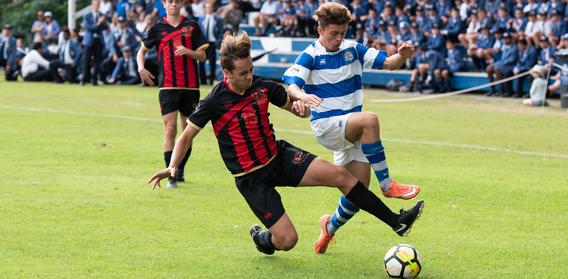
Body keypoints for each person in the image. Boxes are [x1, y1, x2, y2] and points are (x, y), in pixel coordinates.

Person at [148, 32, 425, 256]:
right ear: (226, 72)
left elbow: (292, 105)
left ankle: (396, 222)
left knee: (342, 176)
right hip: (251, 178)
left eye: (251, 70)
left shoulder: (261, 86)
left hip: (278, 157)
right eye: (243, 73)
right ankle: (263, 238)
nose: (249, 77)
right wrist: (173, 167)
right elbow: (185, 136)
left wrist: (301, 107)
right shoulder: (214, 101)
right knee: (288, 240)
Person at [281, 2, 421, 254]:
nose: (338, 38)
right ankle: (388, 184)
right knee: (370, 119)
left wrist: (403, 56)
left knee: (357, 192)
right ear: (320, 29)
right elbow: (291, 84)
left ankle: (329, 227)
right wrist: (301, 95)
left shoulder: (353, 49)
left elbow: (389, 63)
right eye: (334, 33)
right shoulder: (310, 55)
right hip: (327, 127)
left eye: (342, 33)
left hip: (352, 131)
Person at [137, 0, 208, 189]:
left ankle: (179, 168)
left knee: (188, 131)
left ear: (182, 3)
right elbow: (141, 51)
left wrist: (189, 52)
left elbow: (203, 56)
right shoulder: (157, 27)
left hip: (191, 87)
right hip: (167, 86)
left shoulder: (192, 26)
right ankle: (171, 173)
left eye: (177, 1)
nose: (173, 5)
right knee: (170, 129)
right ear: (164, 3)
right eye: (170, 1)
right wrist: (141, 68)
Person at [81, 0, 110, 86]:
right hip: (89, 41)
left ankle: (94, 80)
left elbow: (106, 27)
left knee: (97, 62)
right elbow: (89, 28)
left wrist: (103, 22)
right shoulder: (87, 15)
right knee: (86, 61)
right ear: (92, 5)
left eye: (98, 4)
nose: (97, 6)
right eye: (95, 4)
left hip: (98, 41)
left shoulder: (102, 15)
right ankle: (83, 80)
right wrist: (98, 23)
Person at [198, 1, 224, 85]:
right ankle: (203, 81)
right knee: (202, 62)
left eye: (210, 7)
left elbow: (221, 32)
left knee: (212, 62)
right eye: (207, 7)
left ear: (212, 8)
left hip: (212, 43)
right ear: (205, 8)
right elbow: (199, 31)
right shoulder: (201, 19)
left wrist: (218, 42)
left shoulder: (218, 19)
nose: (208, 9)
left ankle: (211, 80)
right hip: (203, 43)